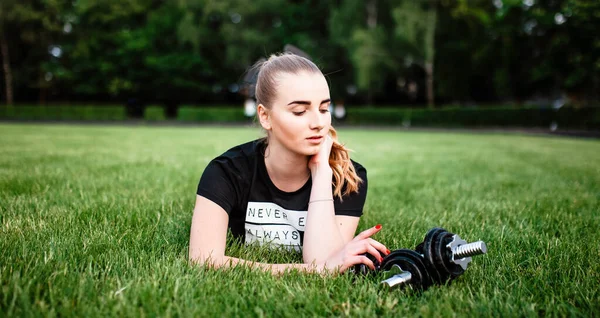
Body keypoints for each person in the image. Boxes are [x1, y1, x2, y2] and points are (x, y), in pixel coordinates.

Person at [189, 53, 389, 275]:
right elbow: (202, 260)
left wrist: (321, 171)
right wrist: (309, 270)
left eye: (324, 109)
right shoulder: (226, 172)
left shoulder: (348, 176)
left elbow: (324, 259)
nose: (318, 123)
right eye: (300, 111)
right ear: (265, 116)